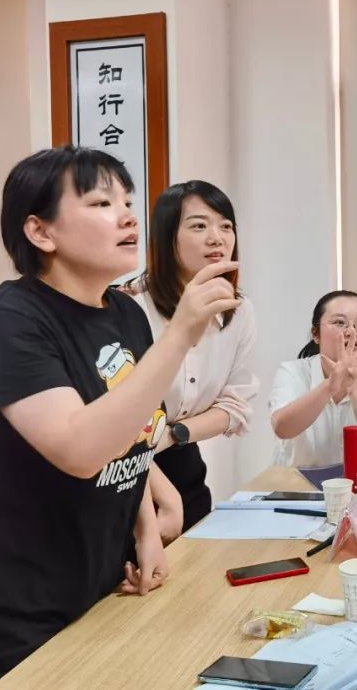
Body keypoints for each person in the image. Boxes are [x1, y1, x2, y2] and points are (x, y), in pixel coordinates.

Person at [0, 146, 238, 688]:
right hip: (2, 609)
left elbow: (132, 434)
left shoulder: (124, 314)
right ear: (41, 231)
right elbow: (80, 449)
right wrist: (181, 335)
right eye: (101, 203)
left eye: (128, 202)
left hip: (90, 584)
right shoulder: (4, 321)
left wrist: (145, 528)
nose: (129, 217)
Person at [125, 181, 258, 538]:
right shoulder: (129, 307)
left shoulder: (238, 310)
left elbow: (235, 406)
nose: (217, 238)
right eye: (199, 226)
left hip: (183, 462)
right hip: (123, 473)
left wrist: (176, 435)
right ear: (167, 237)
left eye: (226, 226)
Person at [269, 290, 357, 467]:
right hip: (296, 483)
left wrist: (356, 392)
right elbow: (282, 429)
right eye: (340, 322)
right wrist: (331, 386)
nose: (352, 332)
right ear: (316, 334)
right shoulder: (292, 372)